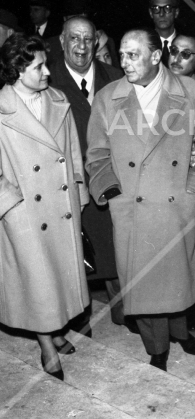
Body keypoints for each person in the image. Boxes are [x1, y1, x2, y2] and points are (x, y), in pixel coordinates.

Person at [86, 28, 195, 372]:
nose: (124, 63)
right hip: (133, 205)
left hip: (176, 202)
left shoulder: (189, 91)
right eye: (122, 55)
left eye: (133, 55)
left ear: (156, 56)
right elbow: (97, 155)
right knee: (143, 283)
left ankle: (180, 333)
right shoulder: (107, 97)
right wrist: (113, 193)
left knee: (180, 280)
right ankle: (156, 346)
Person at [0, 34, 90, 380]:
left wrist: (78, 194)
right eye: (38, 66)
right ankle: (46, 345)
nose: (47, 73)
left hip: (59, 204)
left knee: (59, 276)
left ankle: (55, 330)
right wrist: (11, 206)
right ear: (18, 69)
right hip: (24, 213)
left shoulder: (57, 99)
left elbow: (73, 153)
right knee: (38, 282)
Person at [48, 17, 124, 333]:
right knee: (76, 254)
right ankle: (80, 318)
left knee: (116, 250)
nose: (81, 46)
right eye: (74, 38)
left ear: (96, 42)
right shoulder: (46, 80)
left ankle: (126, 313)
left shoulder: (117, 77)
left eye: (88, 39)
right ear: (63, 42)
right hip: (71, 182)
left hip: (111, 177)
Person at [148, 0, 180, 68]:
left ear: (176, 12)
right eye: (156, 8)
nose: (161, 14)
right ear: (151, 13)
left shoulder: (186, 44)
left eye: (167, 8)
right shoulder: (144, 44)